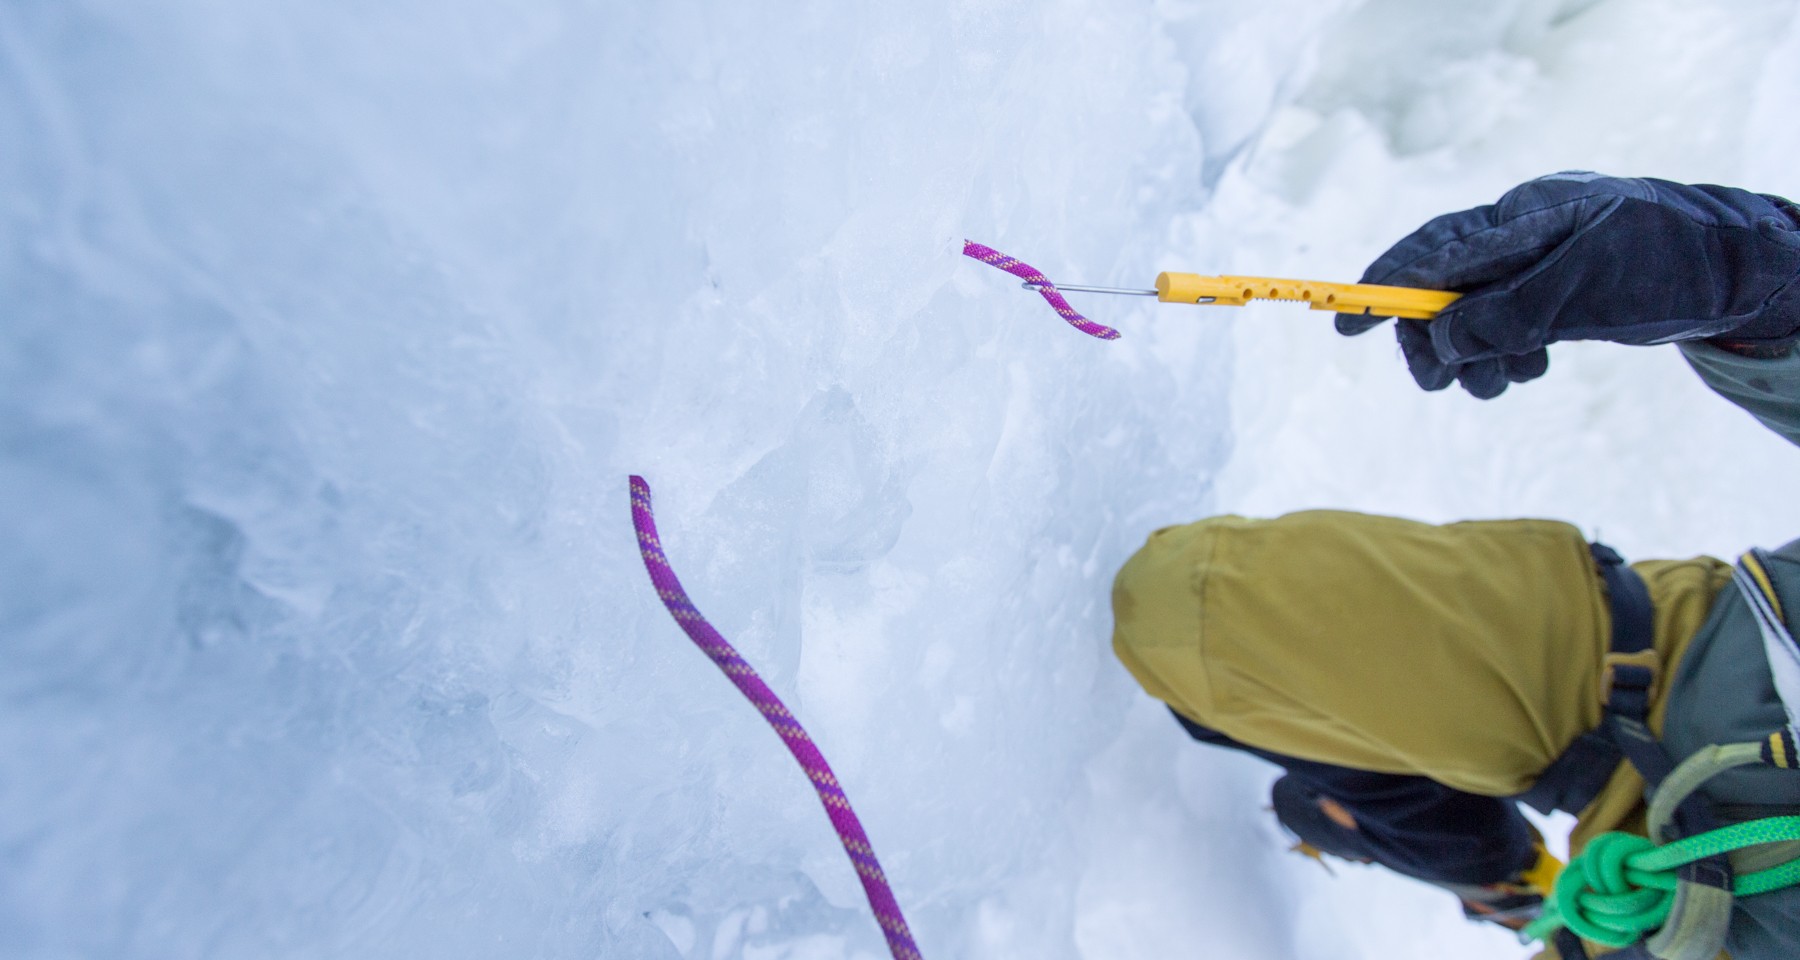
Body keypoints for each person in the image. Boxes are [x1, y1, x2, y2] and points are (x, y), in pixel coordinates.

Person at [1110, 174, 1800, 960]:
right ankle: (1472, 850)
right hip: (1677, 666)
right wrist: (1741, 275)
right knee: (1185, 610)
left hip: (1690, 934)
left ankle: (1511, 881)